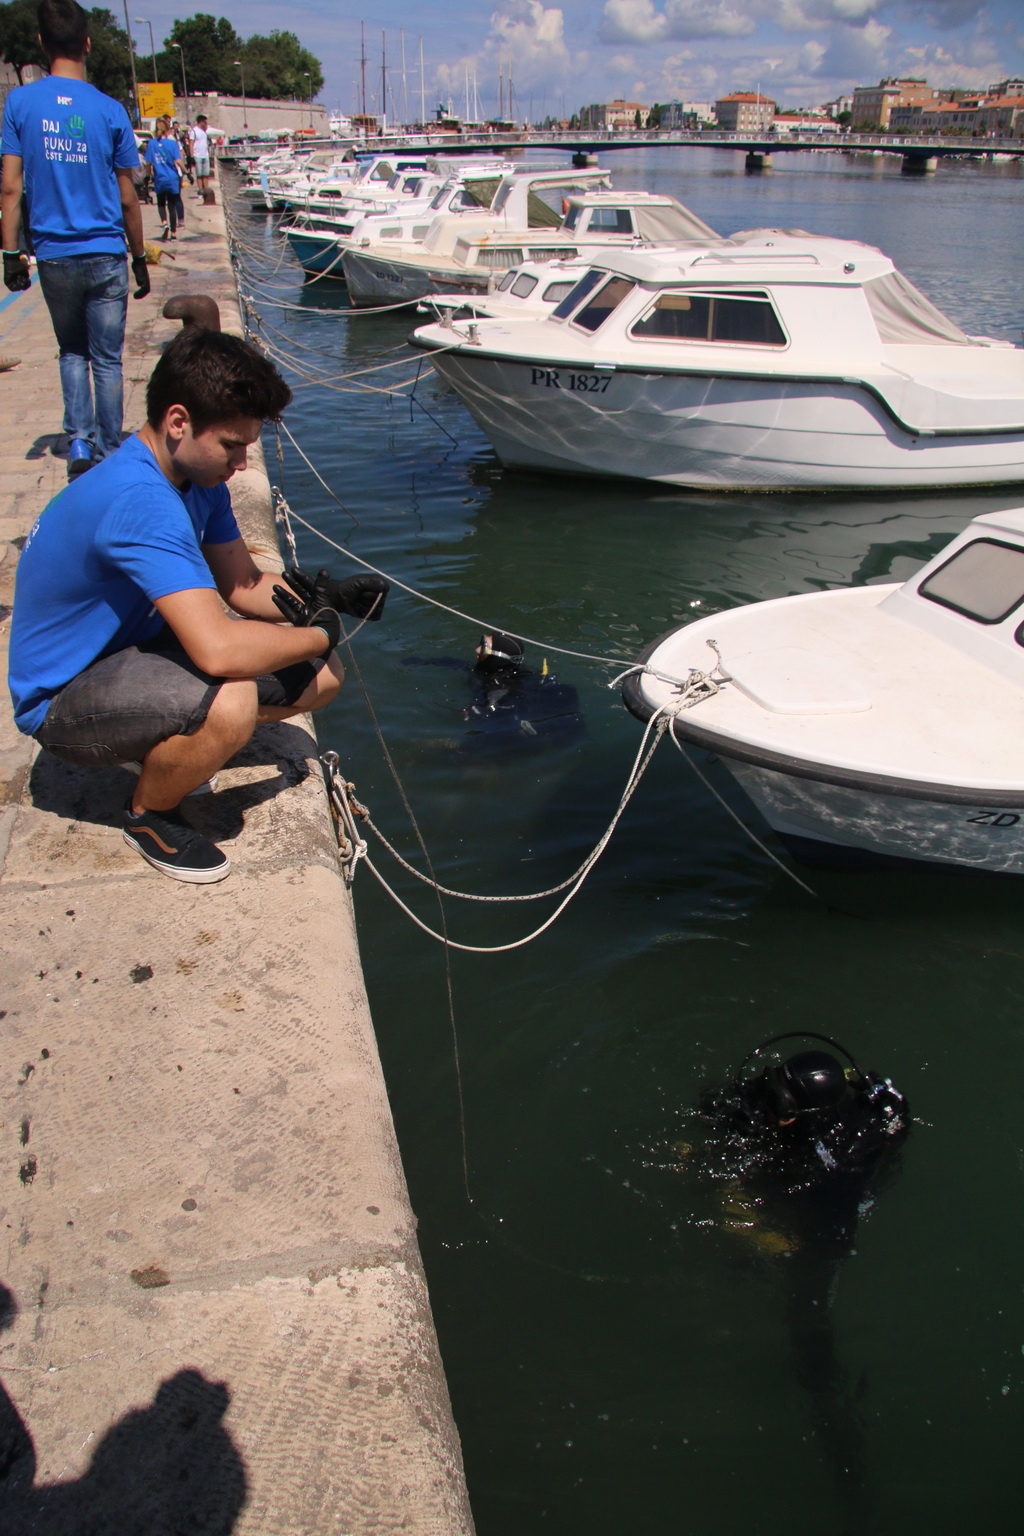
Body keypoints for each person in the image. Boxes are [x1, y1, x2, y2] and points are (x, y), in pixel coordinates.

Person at [7, 327, 389, 884]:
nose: (239, 464)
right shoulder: (140, 500)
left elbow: (241, 583)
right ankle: (148, 814)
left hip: (130, 653)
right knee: (230, 699)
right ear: (179, 422)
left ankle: (168, 742)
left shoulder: (197, 479)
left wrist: (322, 601)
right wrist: (319, 632)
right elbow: (216, 649)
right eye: (232, 446)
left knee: (320, 679)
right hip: (62, 696)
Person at [0, 0, 151, 479]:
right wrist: (141, 256)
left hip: (55, 255)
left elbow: (9, 186)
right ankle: (109, 446)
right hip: (106, 251)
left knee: (71, 351)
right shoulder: (110, 111)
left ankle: (80, 442)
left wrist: (9, 254)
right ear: (87, 43)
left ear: (43, 44)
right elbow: (128, 196)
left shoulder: (20, 104)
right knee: (107, 358)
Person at [403, 630, 584, 756]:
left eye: (483, 646)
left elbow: (500, 727)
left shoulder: (498, 689)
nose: (477, 649)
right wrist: (426, 661)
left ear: (497, 658)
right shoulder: (504, 670)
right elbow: (462, 666)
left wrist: (471, 715)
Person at [145, 122, 184, 241]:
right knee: (171, 205)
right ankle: (173, 234)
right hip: (172, 178)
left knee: (161, 203)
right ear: (167, 131)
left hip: (160, 178)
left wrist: (148, 175)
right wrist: (187, 172)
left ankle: (164, 223)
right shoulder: (172, 144)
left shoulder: (151, 144)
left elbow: (148, 163)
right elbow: (178, 161)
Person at [190, 114, 211, 196]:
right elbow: (191, 144)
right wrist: (192, 156)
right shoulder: (194, 131)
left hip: (205, 155)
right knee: (199, 175)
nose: (206, 124)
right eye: (205, 122)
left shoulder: (204, 131)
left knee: (205, 174)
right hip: (197, 155)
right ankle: (200, 190)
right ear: (201, 121)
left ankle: (206, 190)